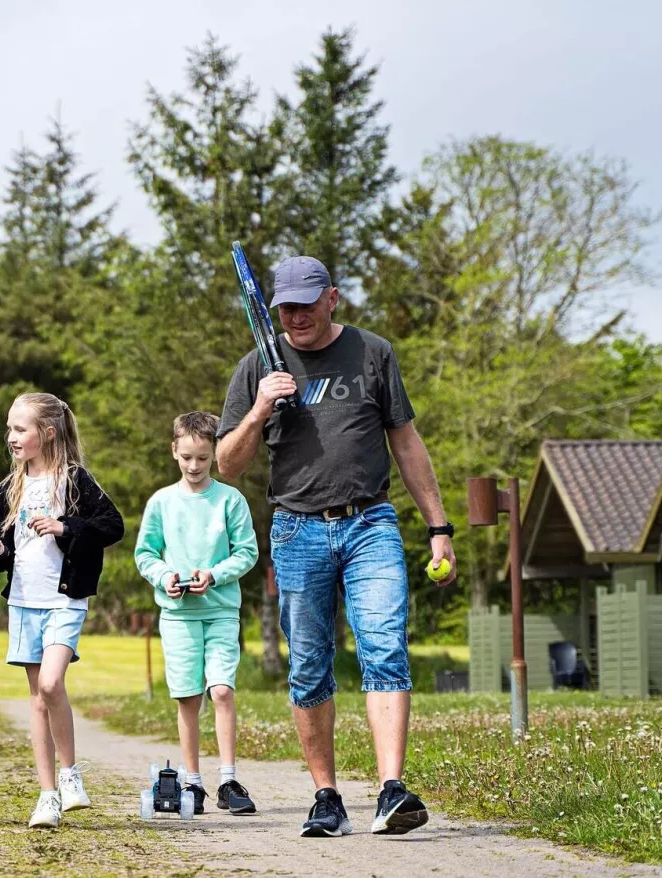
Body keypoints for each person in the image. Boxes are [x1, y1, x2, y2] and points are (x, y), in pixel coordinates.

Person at [216, 255, 457, 838]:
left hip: (369, 522)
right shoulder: (257, 366)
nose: (295, 316)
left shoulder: (373, 353)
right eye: (286, 307)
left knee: (384, 647)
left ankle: (391, 791)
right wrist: (259, 410)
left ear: (333, 298)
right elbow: (227, 464)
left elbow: (406, 441)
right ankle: (326, 797)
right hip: (297, 530)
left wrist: (439, 527)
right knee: (308, 667)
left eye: (306, 303)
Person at [0, 392, 124, 829]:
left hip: (64, 598)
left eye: (19, 429)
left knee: (51, 681)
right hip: (24, 602)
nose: (11, 437)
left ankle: (70, 774)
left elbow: (112, 526)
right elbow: (8, 550)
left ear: (47, 433)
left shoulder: (76, 481)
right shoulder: (9, 489)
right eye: (9, 428)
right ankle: (47, 796)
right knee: (37, 698)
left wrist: (66, 528)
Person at [133, 411, 259, 815]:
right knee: (188, 696)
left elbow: (247, 552)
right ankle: (193, 781)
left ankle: (228, 779)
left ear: (213, 454)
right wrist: (164, 577)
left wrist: (214, 575)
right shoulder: (161, 502)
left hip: (221, 611)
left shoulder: (229, 500)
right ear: (174, 451)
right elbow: (145, 554)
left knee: (221, 690)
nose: (193, 466)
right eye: (187, 457)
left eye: (202, 458)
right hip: (178, 616)